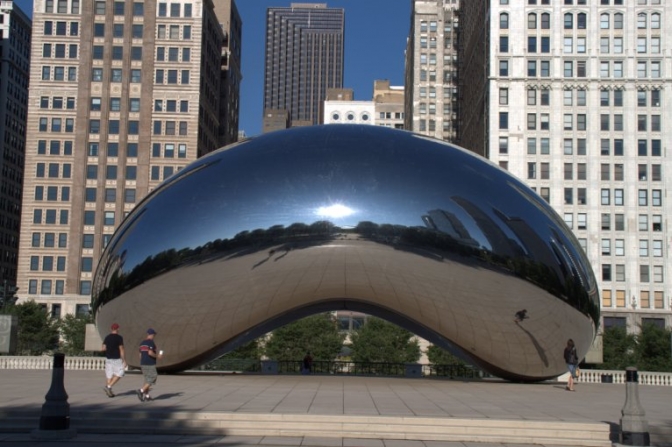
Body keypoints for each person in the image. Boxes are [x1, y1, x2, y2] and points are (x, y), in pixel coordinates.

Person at [137, 328, 163, 402]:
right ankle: (141, 391)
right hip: (149, 363)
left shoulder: (142, 343)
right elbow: (150, 353)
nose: (154, 336)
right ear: (151, 335)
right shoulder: (151, 342)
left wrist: (142, 362)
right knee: (153, 377)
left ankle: (147, 396)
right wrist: (158, 356)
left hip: (143, 363)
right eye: (154, 335)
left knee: (146, 380)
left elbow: (140, 355)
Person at [101, 323, 126, 397]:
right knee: (120, 373)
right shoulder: (119, 337)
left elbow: (103, 348)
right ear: (118, 329)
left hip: (108, 359)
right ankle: (108, 386)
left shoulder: (107, 337)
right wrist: (124, 360)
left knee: (109, 375)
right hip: (116, 359)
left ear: (111, 329)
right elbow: (121, 349)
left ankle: (109, 392)